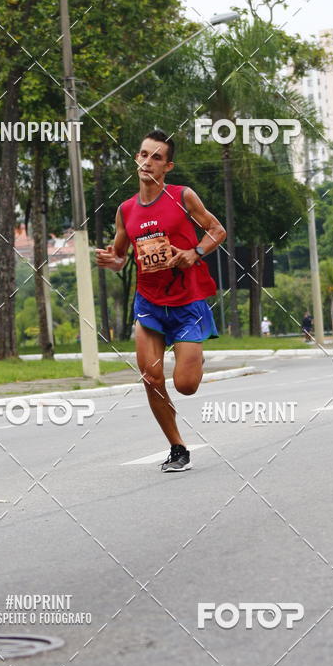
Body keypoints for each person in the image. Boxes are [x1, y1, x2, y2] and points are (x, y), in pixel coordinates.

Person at [95, 130, 226, 473]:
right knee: (151, 379)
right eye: (143, 154)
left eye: (156, 157)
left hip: (187, 303)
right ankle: (177, 447)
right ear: (136, 159)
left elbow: (217, 230)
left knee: (185, 386)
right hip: (149, 304)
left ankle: (192, 355)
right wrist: (112, 261)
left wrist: (194, 252)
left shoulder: (183, 197)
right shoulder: (126, 210)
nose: (147, 161)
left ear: (167, 166)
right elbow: (121, 254)